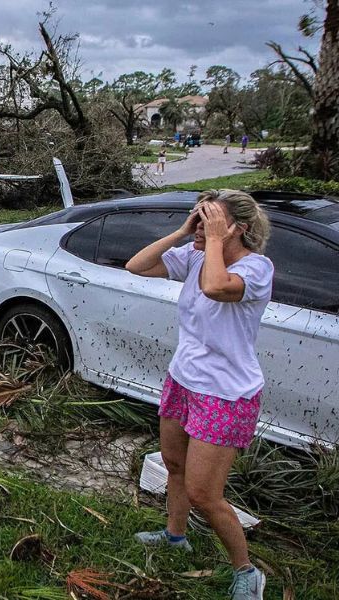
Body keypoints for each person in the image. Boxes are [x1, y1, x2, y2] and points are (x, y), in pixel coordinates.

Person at [124, 190, 274, 600]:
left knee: (205, 493)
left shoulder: (256, 269)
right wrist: (183, 231)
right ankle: (175, 536)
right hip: (183, 380)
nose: (202, 225)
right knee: (174, 466)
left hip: (225, 394)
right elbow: (136, 265)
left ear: (238, 229)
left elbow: (215, 287)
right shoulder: (194, 256)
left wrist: (211, 242)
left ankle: (247, 572)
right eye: (200, 218)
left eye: (211, 219)